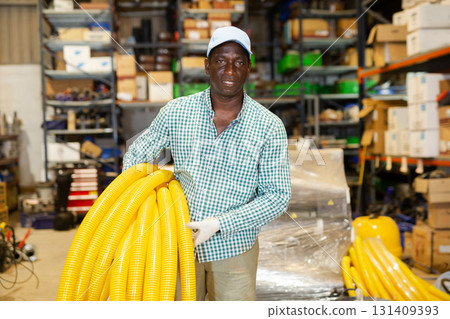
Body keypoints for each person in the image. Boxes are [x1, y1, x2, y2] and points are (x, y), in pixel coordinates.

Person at [122, 26, 291, 301]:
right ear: (207, 65)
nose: (230, 70)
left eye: (239, 62)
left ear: (249, 68)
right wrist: (144, 208)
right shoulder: (177, 112)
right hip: (178, 245)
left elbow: (277, 197)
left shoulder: (268, 126)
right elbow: (135, 158)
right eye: (221, 61)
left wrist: (220, 223)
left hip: (234, 250)